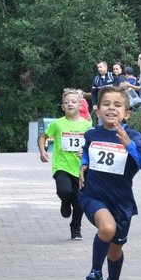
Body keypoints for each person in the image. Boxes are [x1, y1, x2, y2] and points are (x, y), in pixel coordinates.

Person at [79, 86, 141, 280]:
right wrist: (83, 163)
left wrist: (129, 146)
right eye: (106, 104)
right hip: (92, 195)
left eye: (117, 105)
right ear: (97, 110)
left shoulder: (135, 137)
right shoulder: (92, 134)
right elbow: (86, 151)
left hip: (121, 203)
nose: (111, 108)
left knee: (114, 252)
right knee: (107, 228)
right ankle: (94, 275)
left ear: (126, 113)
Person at [38, 89, 91, 239]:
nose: (70, 104)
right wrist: (43, 151)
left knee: (79, 202)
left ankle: (76, 229)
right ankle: (65, 201)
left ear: (80, 105)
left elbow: (93, 144)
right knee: (65, 191)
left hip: (80, 169)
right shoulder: (58, 124)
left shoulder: (87, 125)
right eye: (66, 102)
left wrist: (86, 152)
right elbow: (43, 137)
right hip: (61, 166)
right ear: (62, 107)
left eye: (73, 102)